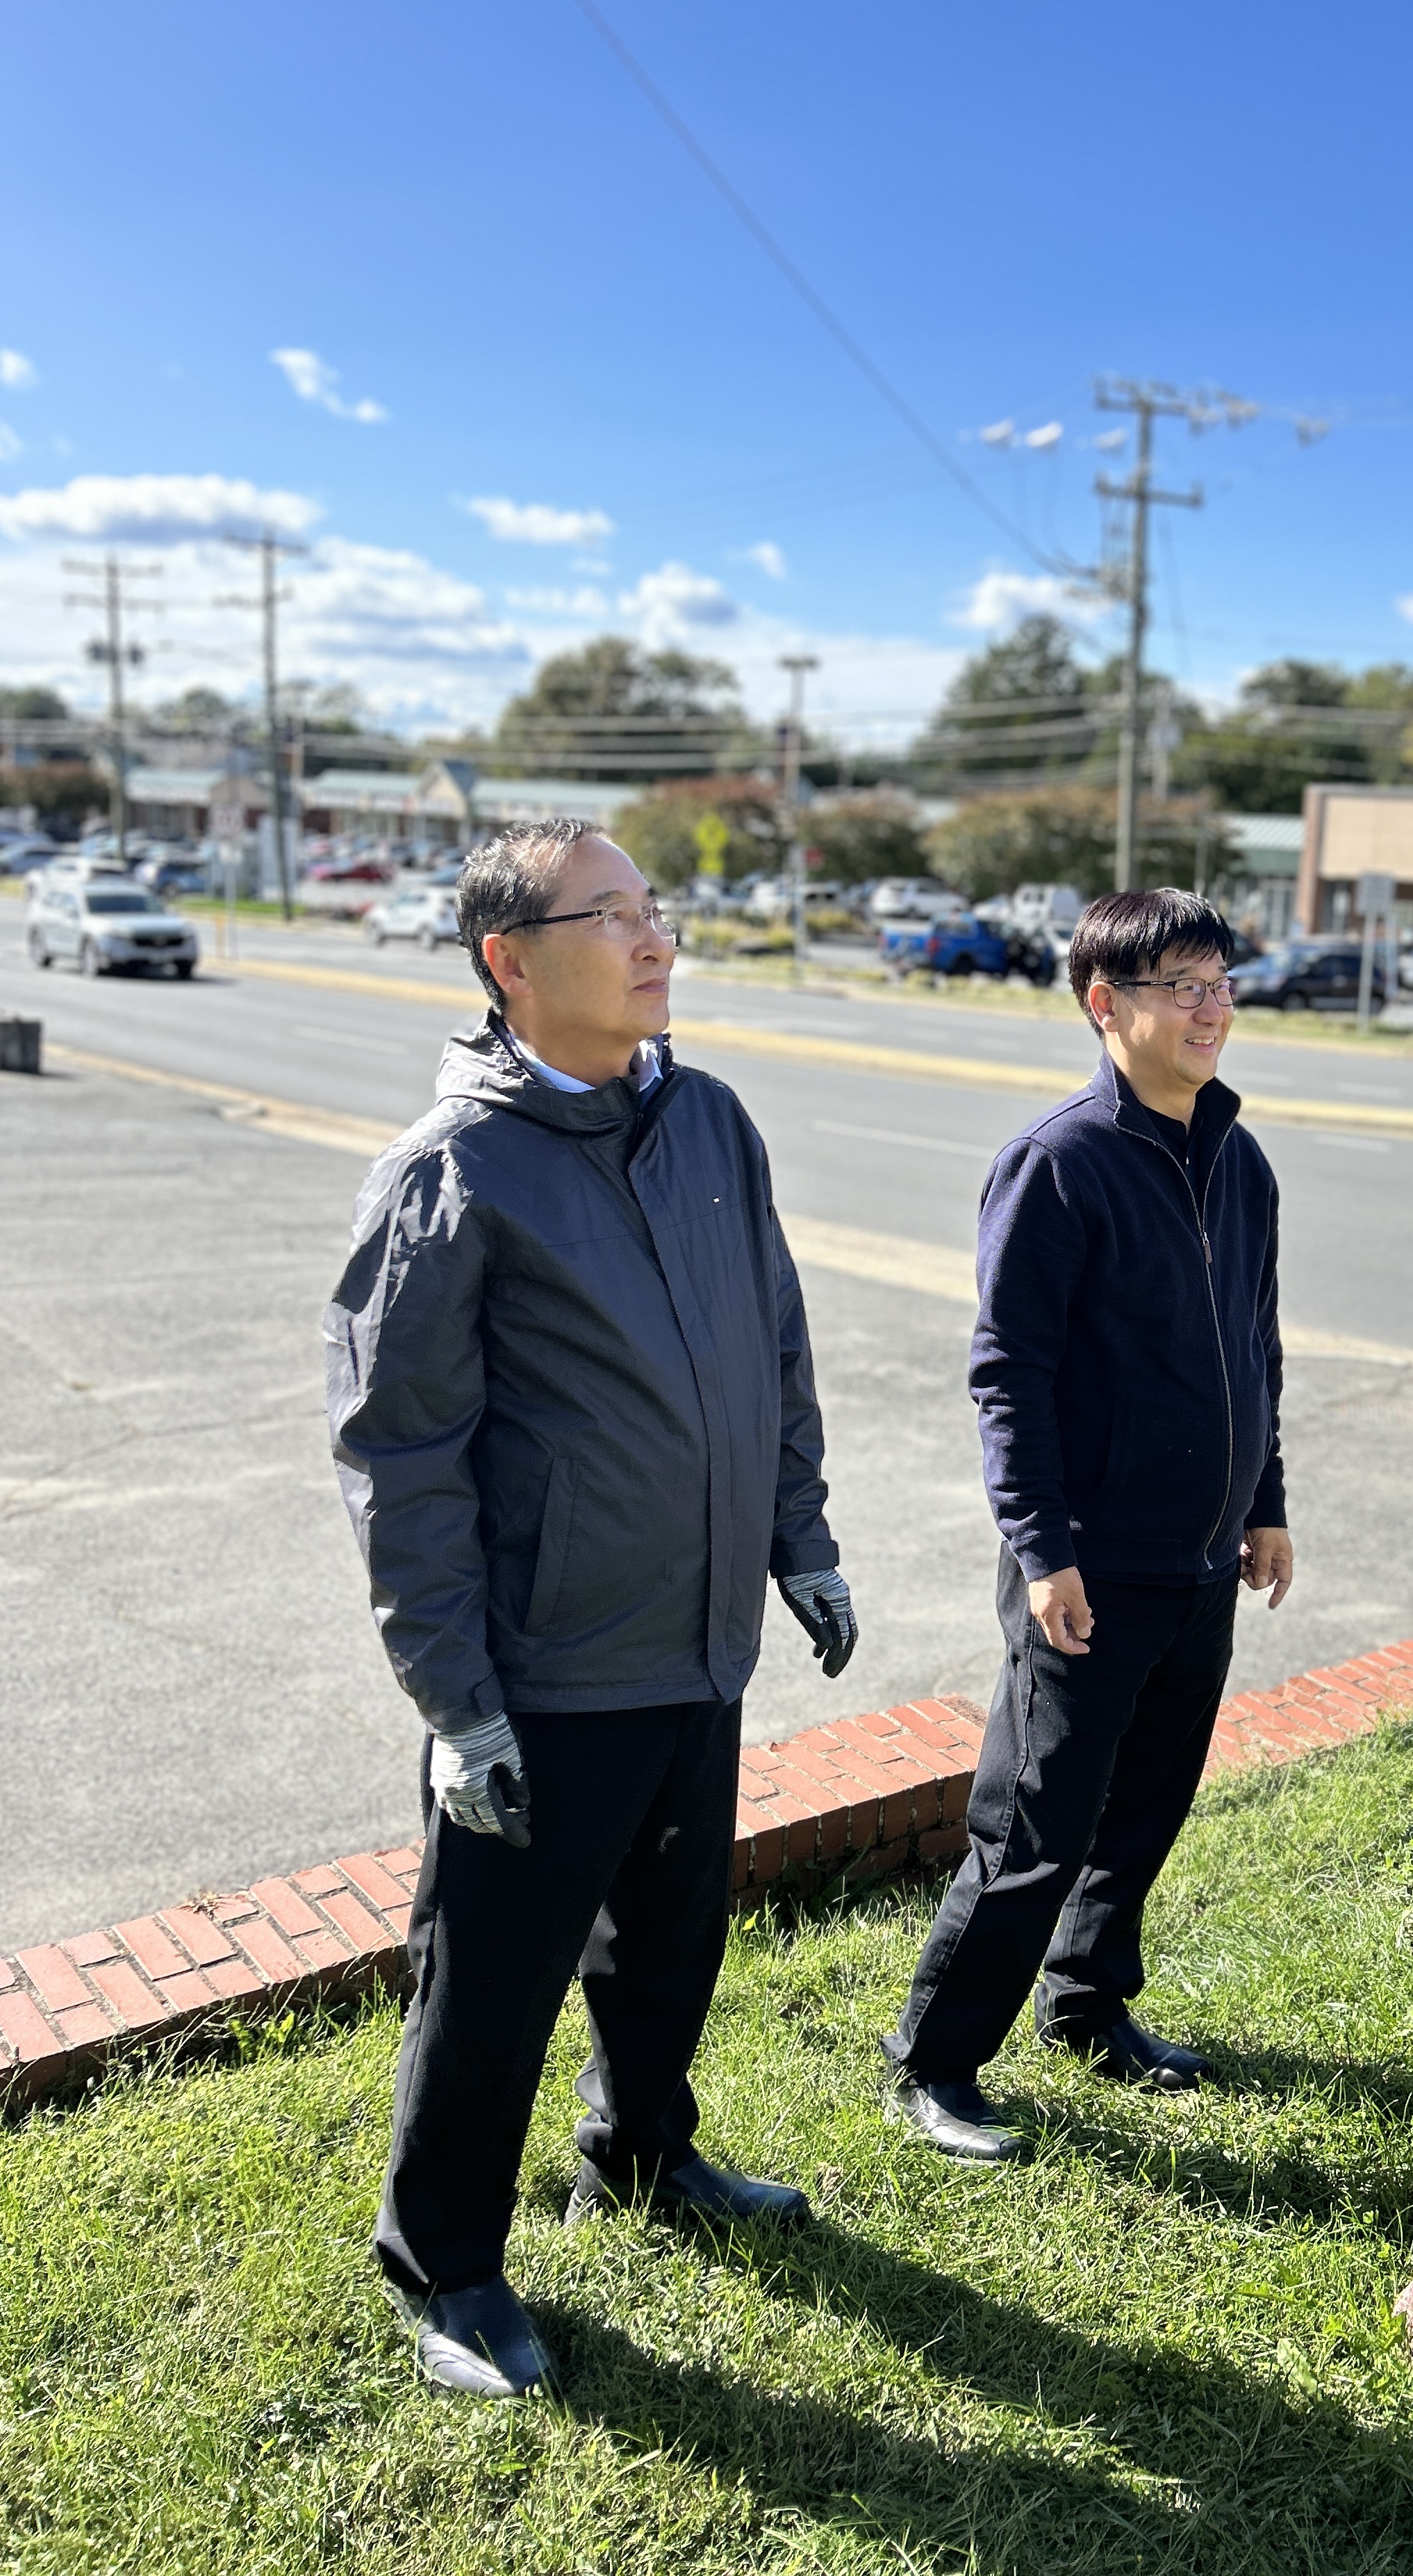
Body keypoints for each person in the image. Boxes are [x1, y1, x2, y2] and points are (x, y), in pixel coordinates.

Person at [326, 817, 858, 2398]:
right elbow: (401, 1458)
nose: (654, 939)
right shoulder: (448, 1175)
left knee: (670, 1941)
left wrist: (801, 1538)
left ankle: (642, 2153)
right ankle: (446, 2267)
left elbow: (773, 1342)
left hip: (699, 1640)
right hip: (543, 1673)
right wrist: (456, 1704)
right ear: (508, 960)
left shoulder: (711, 1123)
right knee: (491, 1986)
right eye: (609, 915)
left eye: (654, 910)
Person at [883, 887, 1293, 2159]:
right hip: (1090, 1564)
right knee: (1036, 1822)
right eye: (1183, 986)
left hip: (1201, 1562)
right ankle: (935, 2062)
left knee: (1147, 1805)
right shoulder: (1058, 1163)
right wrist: (1042, 1548)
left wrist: (1267, 1503)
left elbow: (1256, 1348)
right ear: (1105, 1004)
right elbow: (1009, 1373)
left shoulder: (1240, 1160)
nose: (1211, 1008)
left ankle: (1086, 2001)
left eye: (1221, 983)